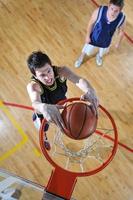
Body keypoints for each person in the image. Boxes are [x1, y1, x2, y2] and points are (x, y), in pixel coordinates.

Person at [27, 51, 99, 149]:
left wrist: (89, 89)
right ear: (35, 76)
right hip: (45, 110)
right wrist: (43, 107)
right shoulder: (34, 86)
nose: (48, 77)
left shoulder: (62, 71)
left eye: (48, 71)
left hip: (60, 101)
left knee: (73, 115)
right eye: (42, 75)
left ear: (51, 66)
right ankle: (44, 137)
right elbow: (35, 103)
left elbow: (77, 79)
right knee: (43, 127)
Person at [74, 0, 126, 67]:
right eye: (112, 9)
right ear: (109, 6)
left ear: (120, 10)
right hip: (94, 37)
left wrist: (118, 43)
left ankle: (99, 56)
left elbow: (121, 32)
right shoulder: (99, 11)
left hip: (106, 40)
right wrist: (87, 36)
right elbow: (90, 23)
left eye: (116, 11)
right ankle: (80, 58)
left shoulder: (122, 18)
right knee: (86, 50)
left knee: (102, 53)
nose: (112, 12)